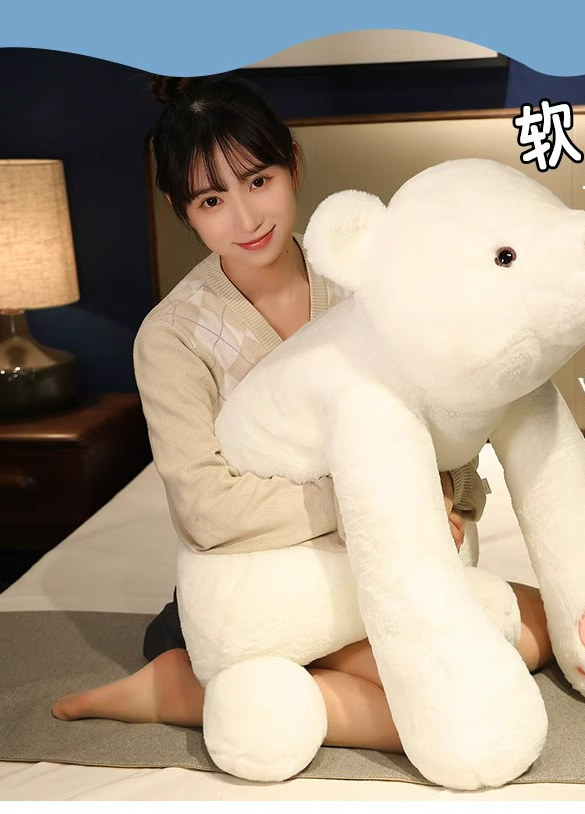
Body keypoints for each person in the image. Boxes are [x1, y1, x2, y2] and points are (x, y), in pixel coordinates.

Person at [52, 74, 552, 754]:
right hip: (272, 581)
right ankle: (192, 684)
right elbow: (206, 509)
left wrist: (445, 487)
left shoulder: (365, 284)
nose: (245, 218)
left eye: (258, 181)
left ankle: (204, 692)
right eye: (211, 200)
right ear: (181, 208)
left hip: (391, 565)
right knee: (456, 699)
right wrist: (370, 500)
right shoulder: (171, 338)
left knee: (537, 627)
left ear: (292, 161)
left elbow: (448, 424)